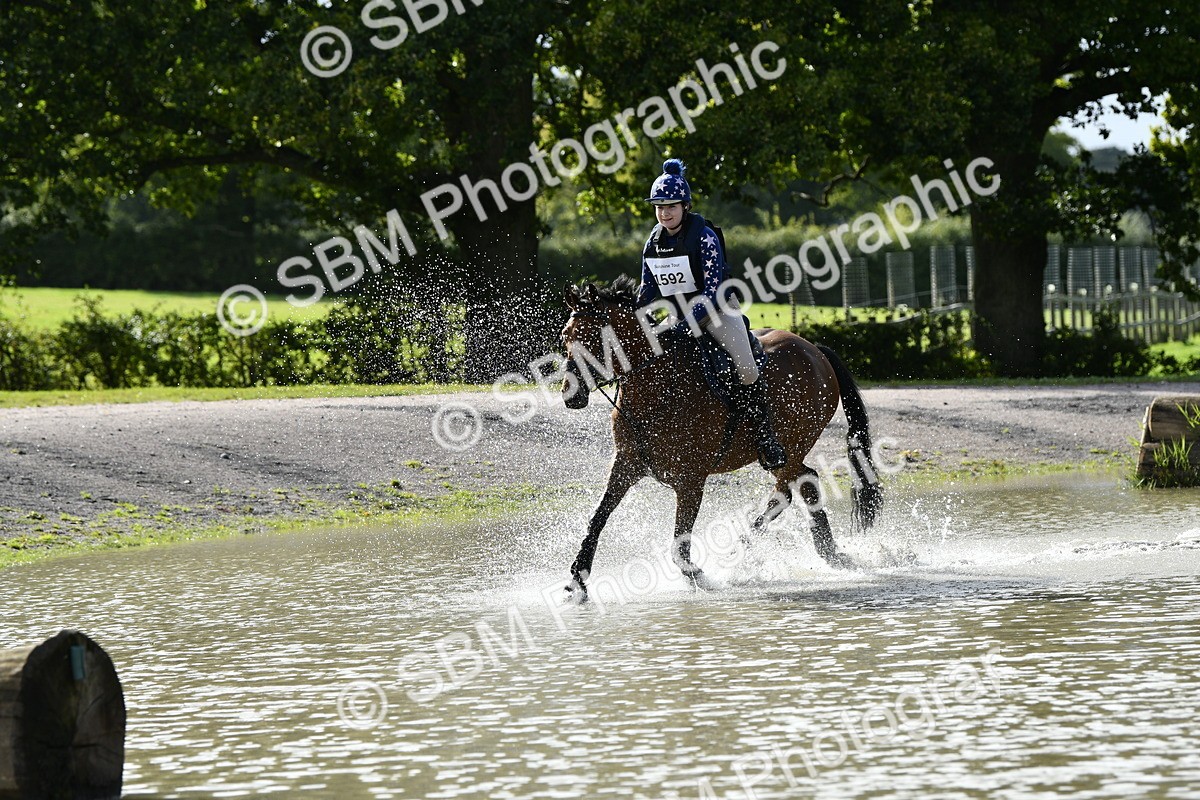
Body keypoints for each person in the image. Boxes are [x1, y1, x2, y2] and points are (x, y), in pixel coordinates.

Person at [636, 158, 787, 471]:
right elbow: (647, 289)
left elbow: (713, 289)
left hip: (716, 313)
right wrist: (638, 318)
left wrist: (689, 323)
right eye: (659, 207)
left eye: (671, 206)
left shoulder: (705, 238)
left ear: (686, 206)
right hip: (677, 319)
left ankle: (766, 437)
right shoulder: (653, 243)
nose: (665, 213)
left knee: (747, 368)